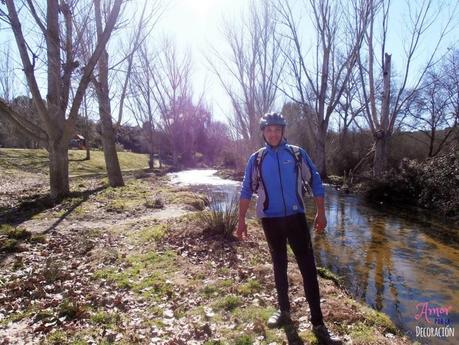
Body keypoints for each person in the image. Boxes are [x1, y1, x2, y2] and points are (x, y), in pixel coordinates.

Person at [236, 113, 342, 344]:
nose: (273, 133)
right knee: (279, 266)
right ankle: (284, 312)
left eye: (277, 129)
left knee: (307, 268)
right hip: (270, 221)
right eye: (268, 130)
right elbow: (246, 189)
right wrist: (241, 219)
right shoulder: (257, 159)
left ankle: (318, 323)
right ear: (263, 132)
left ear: (283, 132)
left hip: (295, 218)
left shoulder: (295, 154)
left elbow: (314, 179)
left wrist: (322, 212)